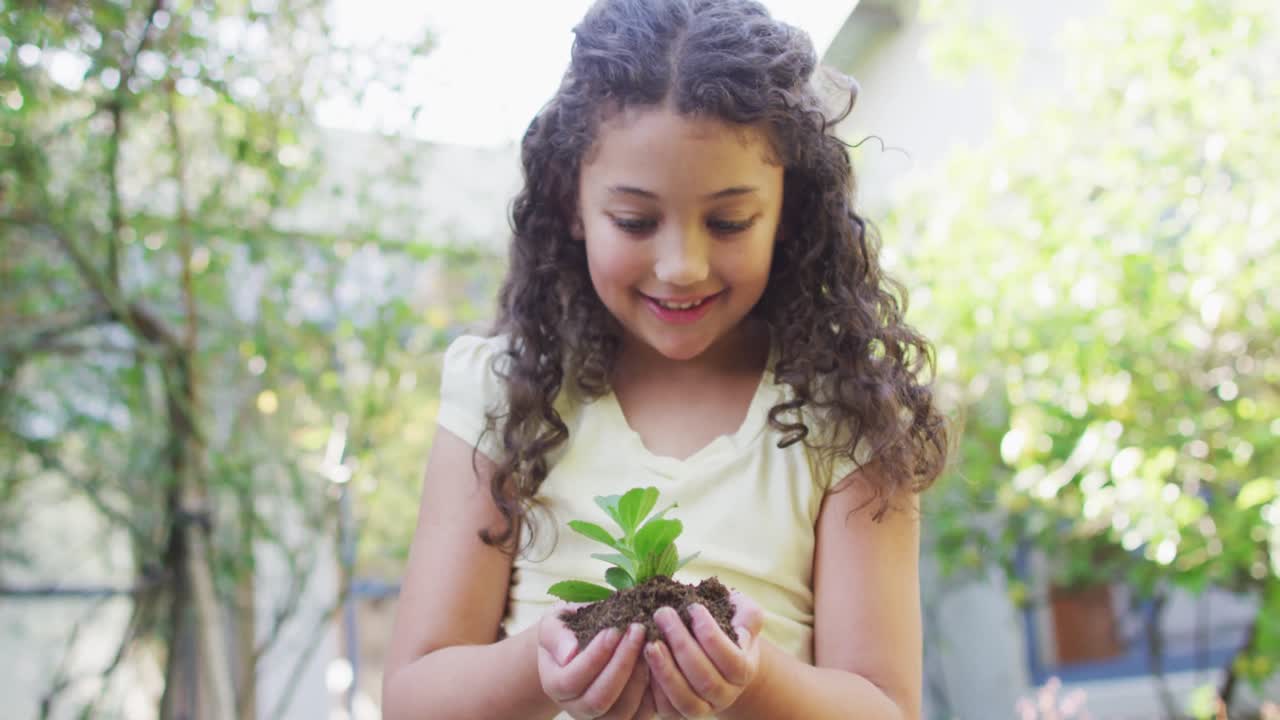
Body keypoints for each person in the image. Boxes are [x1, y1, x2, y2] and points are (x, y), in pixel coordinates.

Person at [382, 0, 948, 718]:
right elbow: (412, 697)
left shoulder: (846, 414)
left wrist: (752, 680)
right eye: (636, 221)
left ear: (788, 209)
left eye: (729, 221)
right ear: (570, 204)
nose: (682, 266)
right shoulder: (505, 393)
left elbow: (885, 707)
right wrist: (542, 664)